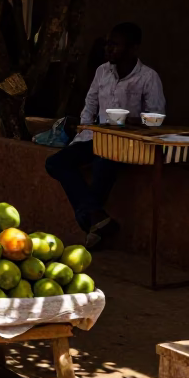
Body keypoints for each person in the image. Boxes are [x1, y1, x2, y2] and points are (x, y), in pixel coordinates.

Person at [45, 22, 165, 248]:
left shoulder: (148, 77)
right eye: (108, 44)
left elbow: (157, 116)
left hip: (128, 143)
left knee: (103, 163)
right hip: (96, 137)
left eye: (115, 45)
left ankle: (92, 221)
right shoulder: (102, 71)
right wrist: (83, 133)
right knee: (56, 163)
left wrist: (132, 120)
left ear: (133, 49)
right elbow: (90, 104)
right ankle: (97, 217)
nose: (108, 49)